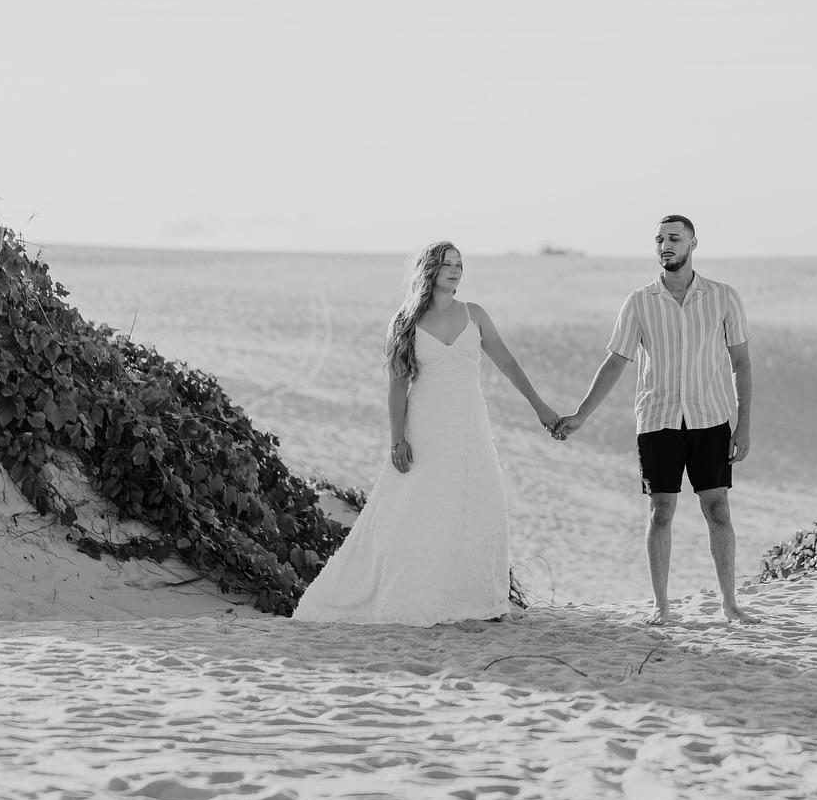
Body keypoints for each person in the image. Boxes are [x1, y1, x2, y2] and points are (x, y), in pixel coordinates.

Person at [293, 240, 558, 626]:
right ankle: (416, 597)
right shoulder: (405, 322)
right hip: (426, 429)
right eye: (448, 264)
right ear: (430, 270)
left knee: (479, 506)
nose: (455, 270)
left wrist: (540, 406)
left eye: (460, 264)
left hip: (470, 428)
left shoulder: (475, 314)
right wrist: (397, 440)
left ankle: (481, 601)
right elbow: (397, 387)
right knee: (418, 511)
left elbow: (507, 363)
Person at [553, 215, 757, 624]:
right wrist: (581, 415)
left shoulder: (722, 297)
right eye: (660, 239)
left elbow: (741, 363)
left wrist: (744, 424)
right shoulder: (639, 301)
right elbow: (615, 362)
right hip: (658, 421)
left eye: (674, 238)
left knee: (717, 510)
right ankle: (661, 607)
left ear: (693, 243)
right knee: (660, 512)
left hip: (711, 419)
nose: (665, 245)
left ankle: (729, 604)